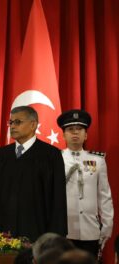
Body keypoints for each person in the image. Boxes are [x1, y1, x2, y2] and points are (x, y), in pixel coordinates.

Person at [0, 106, 67, 242]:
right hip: (3, 235)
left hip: (37, 235)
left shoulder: (50, 155)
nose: (13, 126)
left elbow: (58, 199)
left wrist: (55, 238)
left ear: (33, 125)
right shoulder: (1, 155)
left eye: (18, 122)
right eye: (11, 122)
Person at [57, 109, 114, 258]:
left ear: (86, 134)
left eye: (79, 129)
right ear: (63, 134)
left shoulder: (98, 160)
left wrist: (107, 226)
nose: (75, 133)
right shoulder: (56, 159)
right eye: (70, 129)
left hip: (91, 230)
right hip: (64, 230)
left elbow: (104, 195)